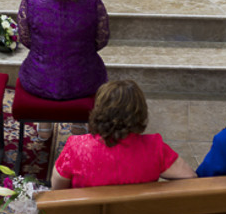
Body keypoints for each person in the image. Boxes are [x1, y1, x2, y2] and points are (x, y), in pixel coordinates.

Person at [17, 0, 109, 138]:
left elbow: (25, 39)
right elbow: (102, 40)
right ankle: (78, 126)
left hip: (39, 79)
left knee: (46, 68)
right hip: (84, 80)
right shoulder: (93, 2)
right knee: (82, 67)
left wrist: (46, 49)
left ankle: (44, 125)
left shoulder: (31, 0)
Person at [51, 80, 196, 188]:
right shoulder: (154, 147)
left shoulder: (76, 148)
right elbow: (189, 176)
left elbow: (57, 186)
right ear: (140, 112)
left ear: (98, 111)